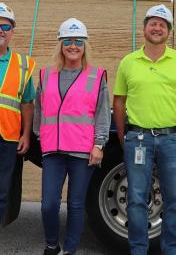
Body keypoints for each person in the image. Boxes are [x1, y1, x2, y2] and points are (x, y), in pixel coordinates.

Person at [113, 4, 176, 255]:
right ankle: (138, 249)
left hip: (171, 139)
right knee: (136, 199)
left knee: (174, 200)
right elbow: (119, 100)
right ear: (144, 28)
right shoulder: (129, 62)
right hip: (137, 138)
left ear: (168, 31)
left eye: (163, 24)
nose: (157, 27)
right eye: (153, 23)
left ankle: (171, 249)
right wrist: (123, 135)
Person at [33, 18, 111, 255]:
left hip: (82, 151)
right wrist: (40, 135)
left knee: (76, 205)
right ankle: (51, 244)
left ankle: (70, 250)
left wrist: (99, 144)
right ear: (61, 44)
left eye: (78, 41)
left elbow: (102, 113)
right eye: (68, 41)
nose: (73, 46)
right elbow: (39, 109)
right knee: (48, 205)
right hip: (53, 152)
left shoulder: (96, 76)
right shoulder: (46, 75)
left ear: (85, 45)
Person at [0, 2, 36, 223]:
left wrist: (25, 134)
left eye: (5, 27)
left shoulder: (23, 64)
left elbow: (27, 103)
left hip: (8, 138)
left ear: (12, 32)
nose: (0, 31)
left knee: (2, 190)